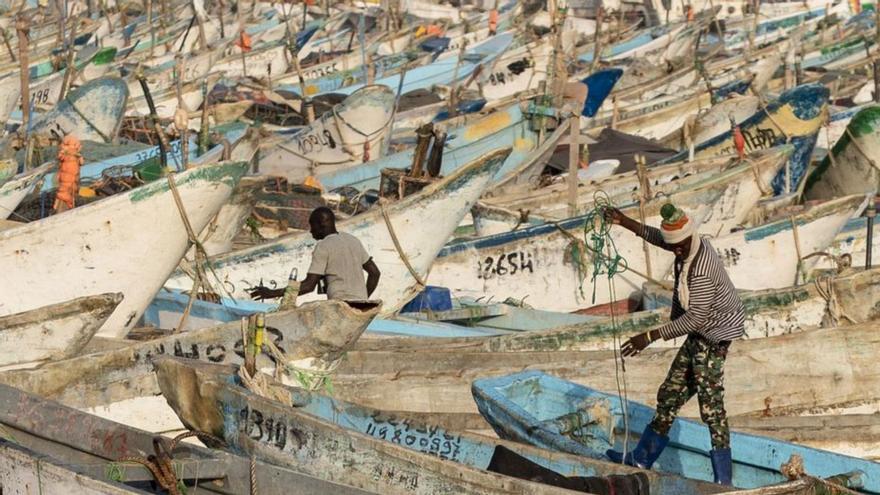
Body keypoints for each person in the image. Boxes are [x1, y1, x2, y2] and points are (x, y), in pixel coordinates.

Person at [603, 203, 744, 485]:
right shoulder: (685, 245)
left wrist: (649, 336)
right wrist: (624, 222)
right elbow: (661, 239)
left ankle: (723, 481)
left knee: (711, 408)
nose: (676, 252)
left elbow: (694, 319)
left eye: (679, 247)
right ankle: (642, 457)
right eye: (674, 248)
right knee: (669, 394)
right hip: (698, 335)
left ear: (689, 238)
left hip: (712, 338)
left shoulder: (701, 267)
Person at [249, 207, 380, 302]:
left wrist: (271, 293)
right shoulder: (353, 240)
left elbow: (308, 286)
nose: (311, 231)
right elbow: (375, 273)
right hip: (362, 306)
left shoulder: (323, 246)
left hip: (339, 304)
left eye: (312, 226)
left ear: (321, 224)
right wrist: (363, 300)